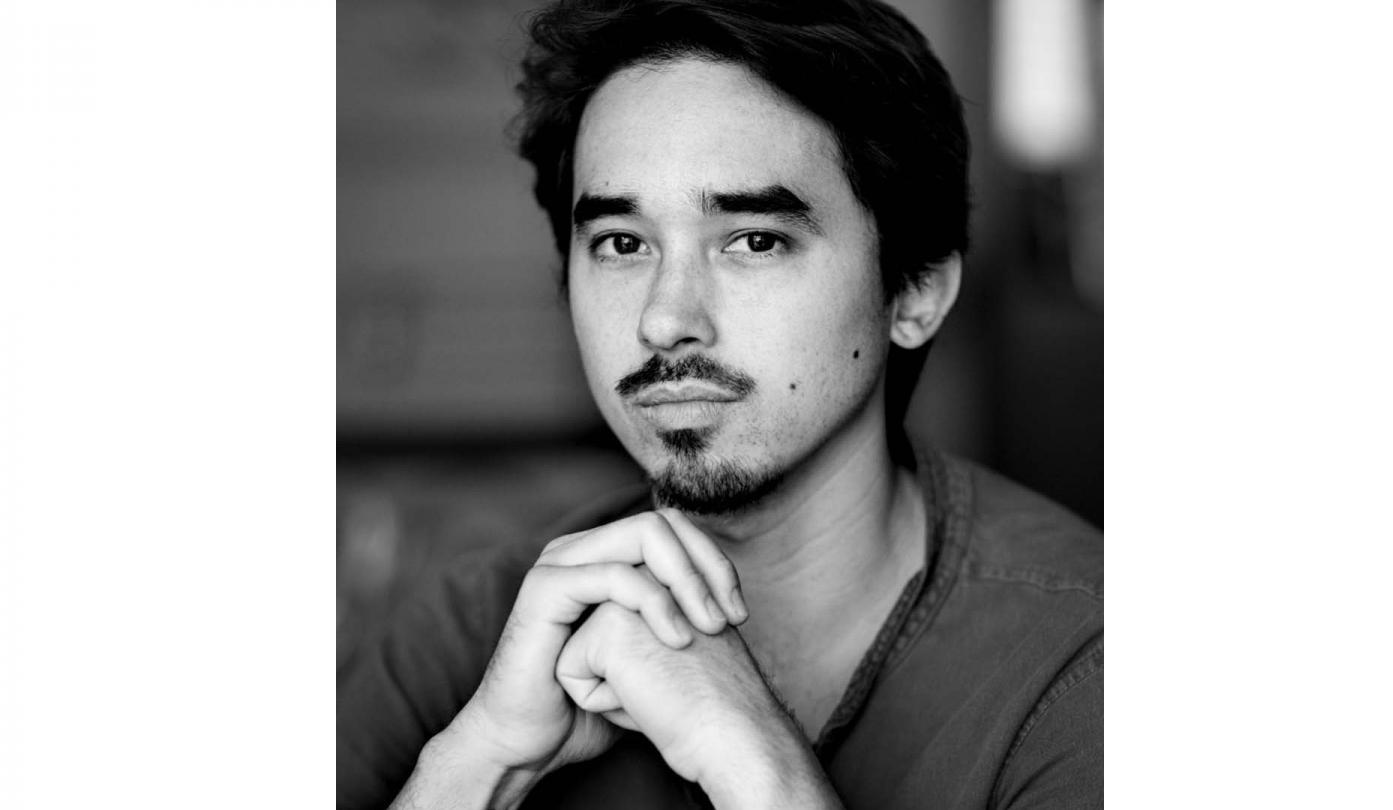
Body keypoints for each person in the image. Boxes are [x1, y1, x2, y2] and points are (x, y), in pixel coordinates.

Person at [337, 0, 1102, 807]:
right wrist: (481, 761)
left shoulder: (1083, 670)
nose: (665, 320)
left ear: (915, 292)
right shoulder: (472, 631)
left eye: (754, 240)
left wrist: (764, 774)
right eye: (622, 244)